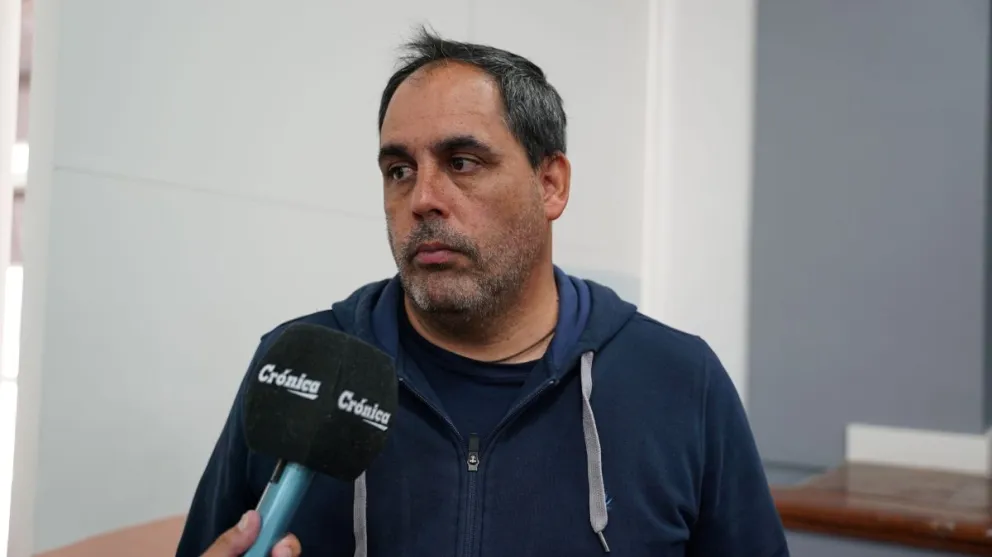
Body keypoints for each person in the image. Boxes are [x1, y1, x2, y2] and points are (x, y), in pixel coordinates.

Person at [176, 27, 789, 557]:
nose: (422, 199)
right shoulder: (300, 365)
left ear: (550, 185)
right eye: (399, 170)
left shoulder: (680, 382)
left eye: (462, 162)